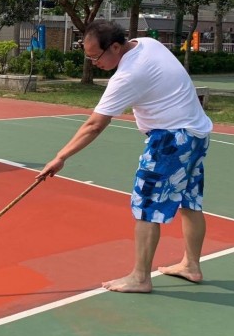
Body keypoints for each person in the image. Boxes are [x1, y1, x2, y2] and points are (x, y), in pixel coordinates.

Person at [37, 19, 213, 293]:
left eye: (95, 56)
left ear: (115, 47)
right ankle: (191, 265)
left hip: (170, 140)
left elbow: (94, 125)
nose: (93, 62)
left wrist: (60, 157)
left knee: (146, 206)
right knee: (189, 200)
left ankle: (140, 277)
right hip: (197, 133)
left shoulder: (128, 75)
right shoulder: (148, 44)